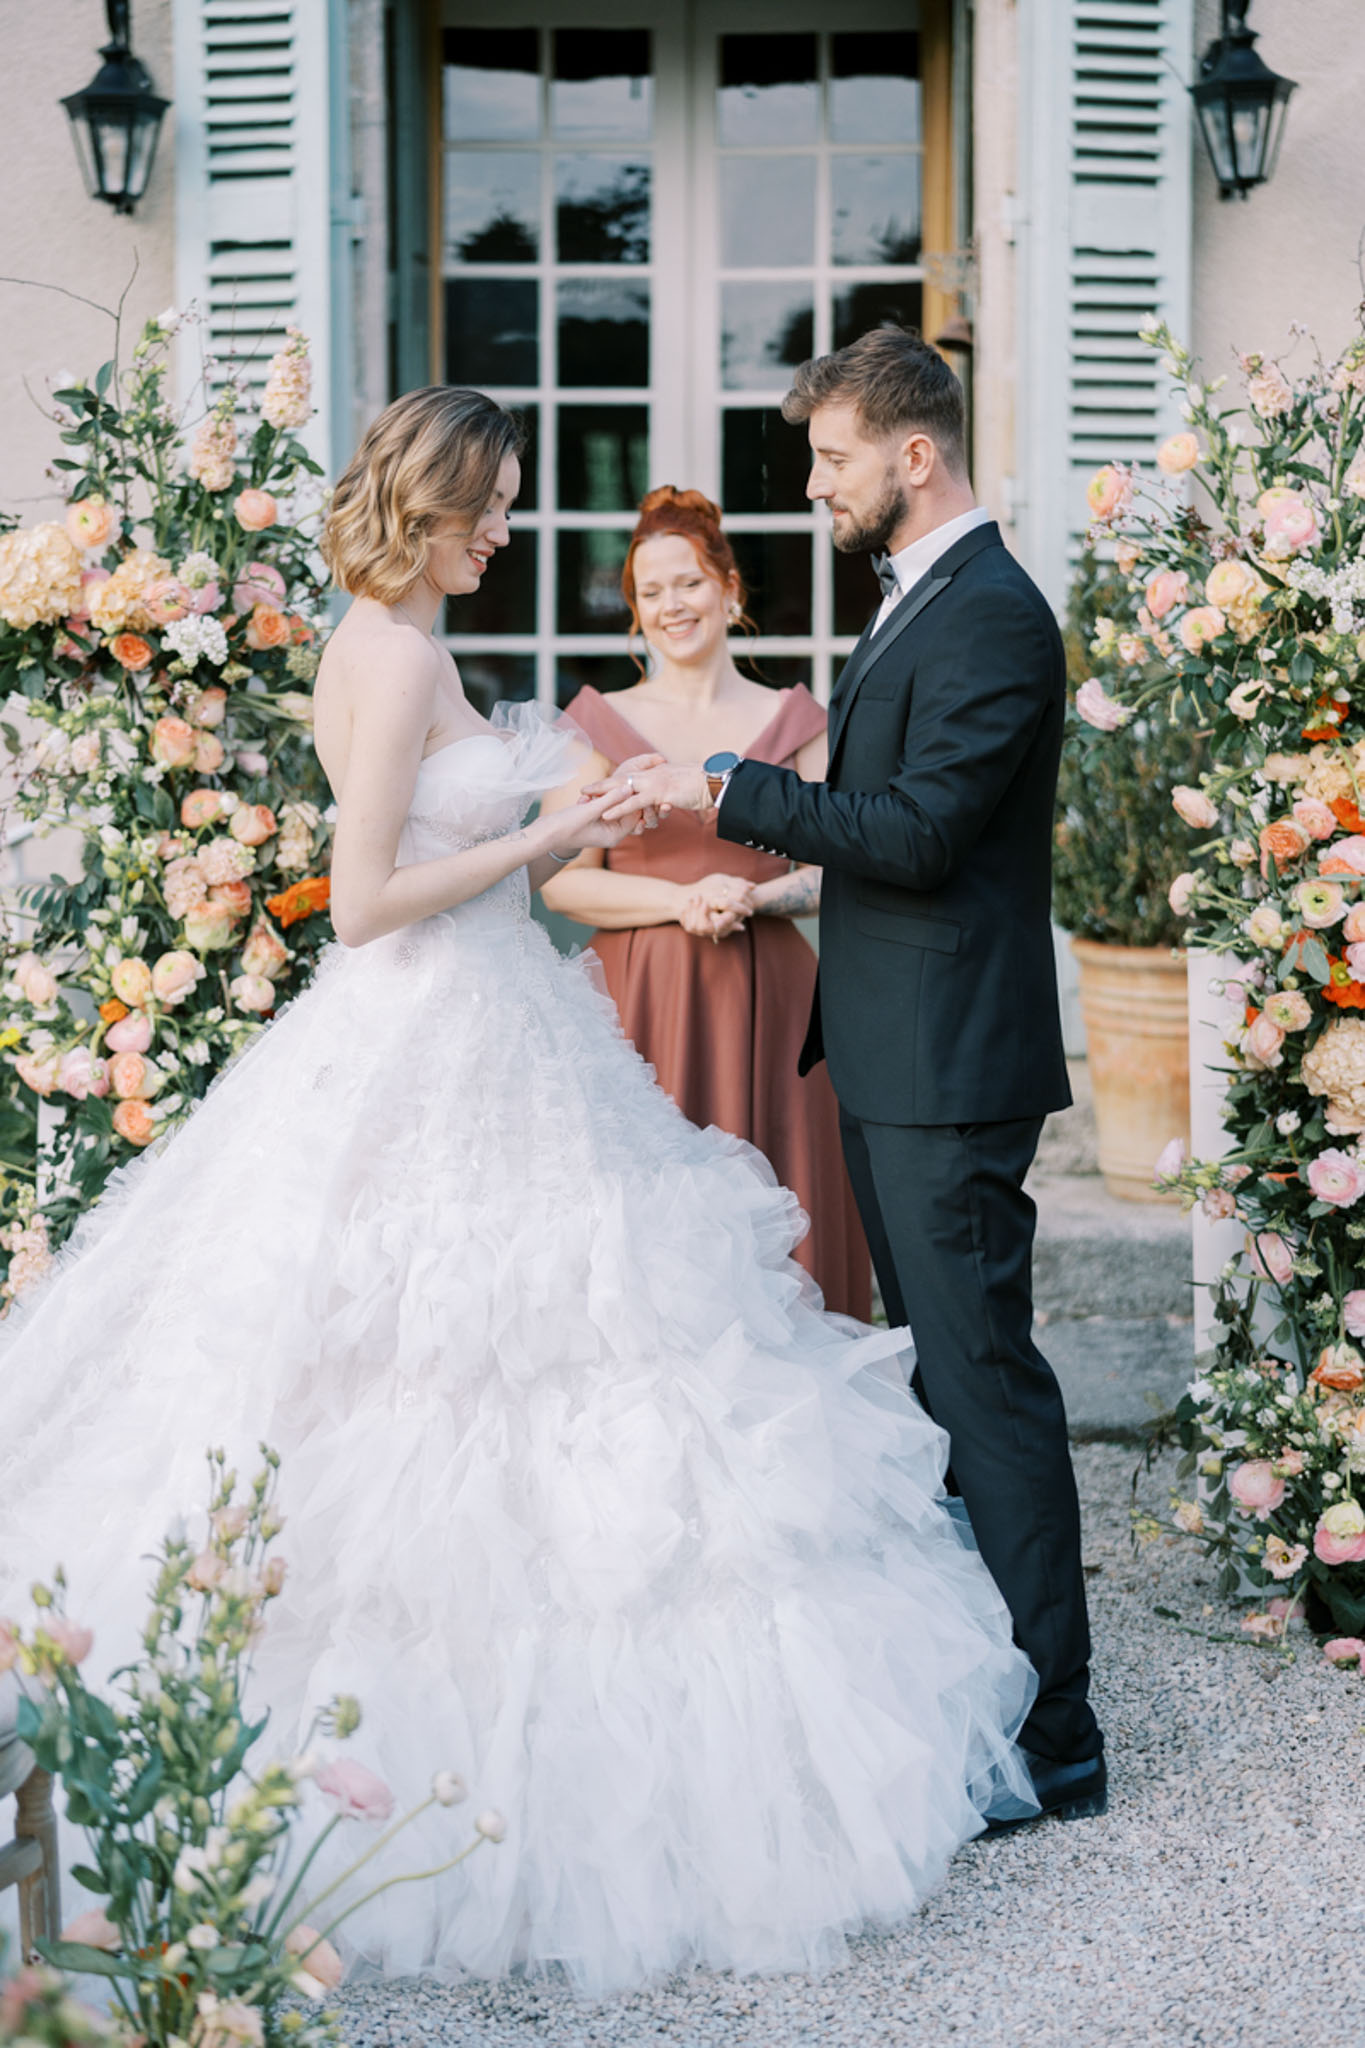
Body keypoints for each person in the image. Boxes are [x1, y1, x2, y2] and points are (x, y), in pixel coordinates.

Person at [0, 383, 1038, 1997]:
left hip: (482, 1029)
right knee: (452, 1365)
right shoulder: (396, 651)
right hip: (436, 1024)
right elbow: (362, 904)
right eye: (489, 506)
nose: (506, 530)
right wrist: (542, 836)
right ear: (430, 503)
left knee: (512, 1362)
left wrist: (573, 813)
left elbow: (441, 826)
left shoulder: (388, 640)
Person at [592, 326, 1107, 1829]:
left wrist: (730, 792)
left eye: (829, 457)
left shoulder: (993, 617)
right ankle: (987, 1690)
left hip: (949, 1067)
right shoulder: (919, 604)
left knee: (982, 1383)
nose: (812, 483)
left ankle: (1057, 1733)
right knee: (938, 1386)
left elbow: (919, 834)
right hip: (894, 1056)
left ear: (913, 453)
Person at [544, 485, 870, 1319]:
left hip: (777, 1008)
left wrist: (753, 900)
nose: (670, 606)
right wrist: (679, 897)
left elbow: (843, 863)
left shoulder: (795, 721)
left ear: (729, 590)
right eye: (648, 592)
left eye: (686, 583)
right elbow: (564, 878)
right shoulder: (594, 726)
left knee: (784, 1224)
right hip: (636, 1009)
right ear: (632, 613)